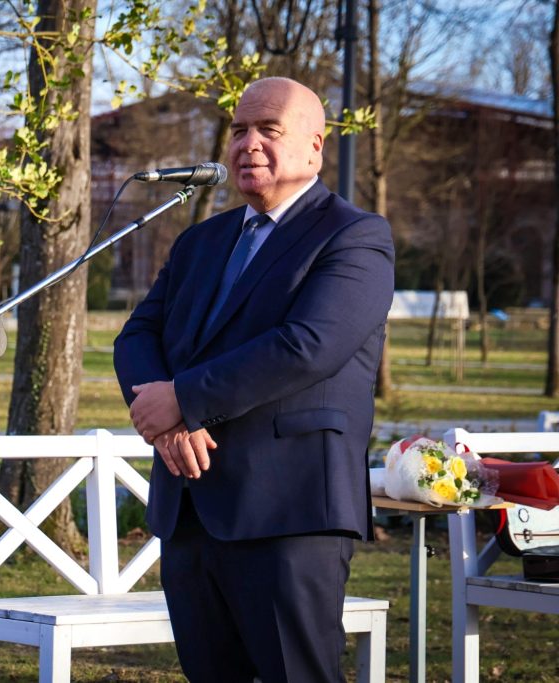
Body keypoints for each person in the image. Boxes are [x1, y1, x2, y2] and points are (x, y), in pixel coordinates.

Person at [113, 77, 395, 682]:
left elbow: (306, 346)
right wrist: (168, 426)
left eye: (270, 129)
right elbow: (137, 336)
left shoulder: (354, 237)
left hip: (288, 512)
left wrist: (184, 400)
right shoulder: (200, 241)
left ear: (315, 147)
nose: (248, 144)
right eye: (239, 130)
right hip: (190, 508)